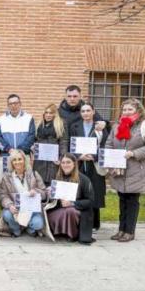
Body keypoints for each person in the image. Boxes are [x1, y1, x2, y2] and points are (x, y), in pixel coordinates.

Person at [105, 98, 145, 243]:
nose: (127, 112)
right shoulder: (117, 125)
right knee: (122, 199)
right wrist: (111, 160)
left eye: (130, 109)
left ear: (138, 110)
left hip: (136, 168)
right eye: (124, 110)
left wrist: (134, 153)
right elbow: (109, 143)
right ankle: (121, 229)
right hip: (119, 169)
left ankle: (129, 231)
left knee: (132, 201)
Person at [68, 102, 109, 230]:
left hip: (94, 164)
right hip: (80, 164)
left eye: (88, 110)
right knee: (80, 191)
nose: (85, 113)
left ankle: (95, 224)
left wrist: (95, 156)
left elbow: (105, 144)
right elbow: (71, 144)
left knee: (95, 191)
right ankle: (80, 222)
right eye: (83, 111)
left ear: (93, 111)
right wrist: (78, 156)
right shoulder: (75, 126)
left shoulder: (100, 127)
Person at [46, 153, 95, 245]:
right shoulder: (57, 177)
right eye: (63, 162)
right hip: (59, 208)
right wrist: (50, 194)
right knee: (47, 215)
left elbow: (90, 201)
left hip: (77, 208)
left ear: (74, 164)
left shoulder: (84, 179)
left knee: (69, 211)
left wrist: (73, 203)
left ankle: (73, 234)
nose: (65, 165)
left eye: (68, 162)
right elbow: (53, 201)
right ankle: (61, 232)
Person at [0, 149, 46, 237]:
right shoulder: (6, 177)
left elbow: (44, 192)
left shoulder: (34, 174)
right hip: (15, 209)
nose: (17, 162)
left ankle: (28, 228)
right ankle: (16, 229)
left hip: (31, 210)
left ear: (24, 160)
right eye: (14, 160)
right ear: (11, 163)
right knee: (7, 214)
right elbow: (2, 195)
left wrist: (36, 192)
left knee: (38, 223)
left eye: (20, 159)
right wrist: (10, 205)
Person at [33, 103, 69, 185]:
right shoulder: (39, 125)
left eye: (51, 113)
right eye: (46, 112)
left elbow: (64, 142)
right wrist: (33, 147)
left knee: (53, 182)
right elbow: (35, 141)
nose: (48, 115)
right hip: (40, 160)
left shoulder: (60, 124)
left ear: (55, 114)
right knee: (39, 182)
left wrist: (61, 157)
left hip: (54, 160)